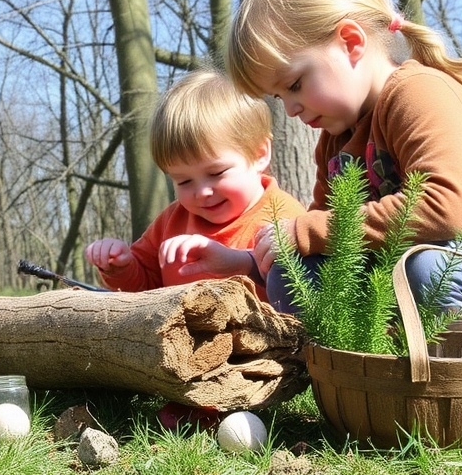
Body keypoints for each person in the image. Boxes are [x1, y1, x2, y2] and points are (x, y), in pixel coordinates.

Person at [225, 0, 462, 337]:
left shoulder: (420, 92)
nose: (289, 109)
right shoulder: (335, 142)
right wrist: (252, 259)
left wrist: (307, 230)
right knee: (296, 274)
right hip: (404, 283)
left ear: (350, 42)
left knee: (428, 269)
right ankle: (361, 373)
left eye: (294, 85)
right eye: (277, 98)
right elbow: (322, 239)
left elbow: (443, 209)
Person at [84, 69, 305, 301]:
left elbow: (302, 294)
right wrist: (120, 266)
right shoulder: (172, 221)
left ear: (259, 154)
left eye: (216, 172)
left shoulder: (284, 219)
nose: (202, 192)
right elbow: (144, 288)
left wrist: (241, 262)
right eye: (184, 181)